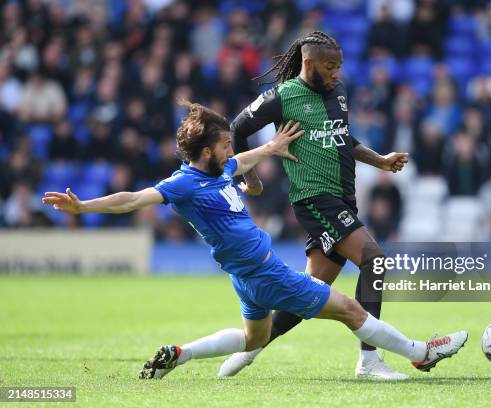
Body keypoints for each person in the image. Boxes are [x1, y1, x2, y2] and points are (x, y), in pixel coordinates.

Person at [41, 101, 467, 380]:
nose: (231, 150)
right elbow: (133, 198)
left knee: (254, 340)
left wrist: (272, 147)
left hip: (246, 279)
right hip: (265, 273)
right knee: (351, 309)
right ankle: (419, 351)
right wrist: (85, 207)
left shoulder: (221, 168)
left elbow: (242, 160)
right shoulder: (184, 185)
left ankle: (181, 353)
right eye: (224, 145)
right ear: (206, 151)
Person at [228, 31, 411, 379]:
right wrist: (250, 178)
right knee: (374, 260)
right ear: (308, 63)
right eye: (329, 66)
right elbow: (237, 129)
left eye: (339, 66)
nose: (336, 73)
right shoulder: (283, 97)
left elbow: (343, 137)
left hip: (342, 199)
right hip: (314, 198)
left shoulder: (338, 92)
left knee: (311, 292)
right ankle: (369, 360)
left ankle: (251, 349)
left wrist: (380, 160)